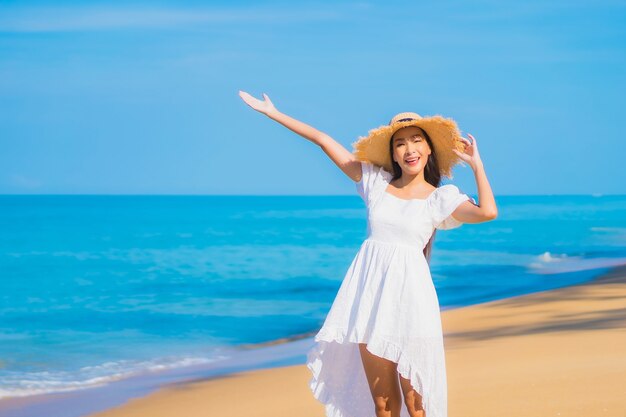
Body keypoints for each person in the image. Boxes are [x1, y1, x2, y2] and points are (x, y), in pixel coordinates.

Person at [238, 90, 497, 417]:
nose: (409, 149)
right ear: (393, 153)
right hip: (370, 302)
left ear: (429, 148)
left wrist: (477, 165)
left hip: (413, 306)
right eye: (400, 143)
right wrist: (271, 112)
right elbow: (321, 139)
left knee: (417, 406)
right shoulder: (375, 182)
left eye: (416, 140)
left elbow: (488, 212)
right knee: (384, 405)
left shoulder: (441, 198)